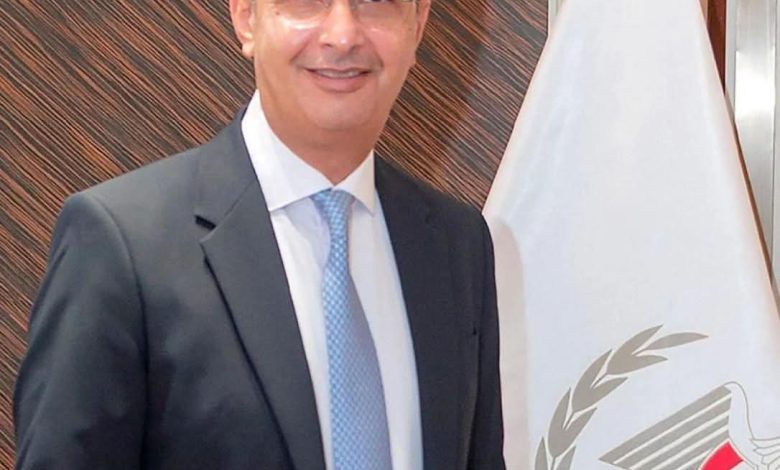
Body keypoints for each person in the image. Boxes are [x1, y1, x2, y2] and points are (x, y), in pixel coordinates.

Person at [13, 0, 505, 468]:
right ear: (246, 17)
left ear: (417, 25)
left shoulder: (458, 247)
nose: (342, 35)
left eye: (376, 3)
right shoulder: (123, 246)